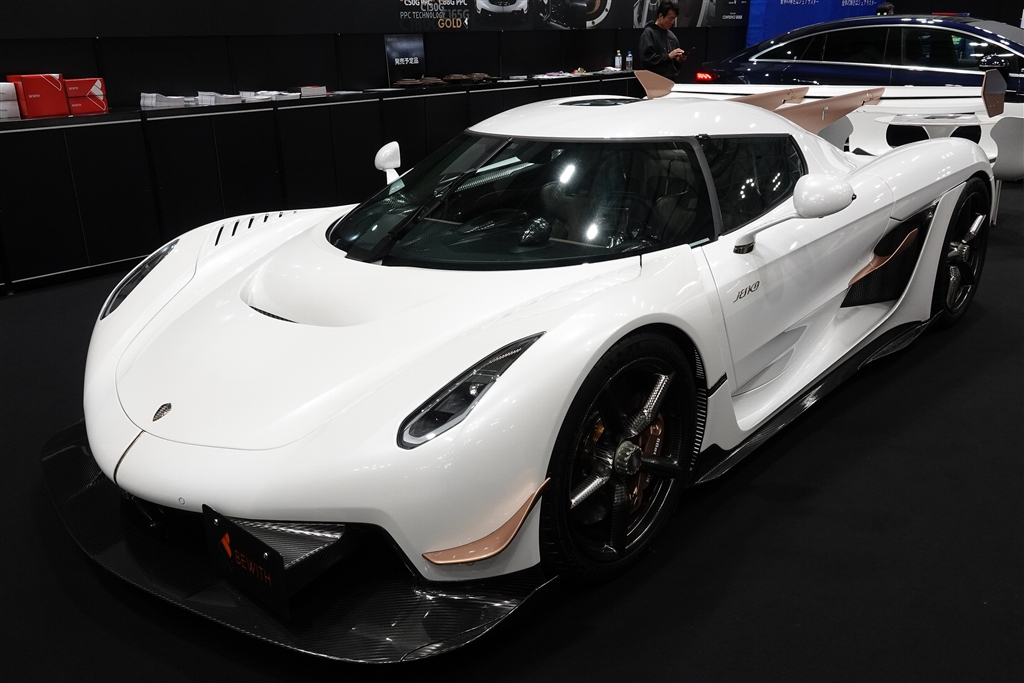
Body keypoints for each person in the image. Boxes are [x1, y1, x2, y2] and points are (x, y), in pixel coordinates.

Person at [639, 1, 687, 82]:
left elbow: (673, 65)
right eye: (670, 18)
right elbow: (647, 60)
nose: (672, 22)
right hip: (653, 82)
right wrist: (668, 56)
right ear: (660, 16)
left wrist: (678, 61)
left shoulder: (672, 36)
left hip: (671, 82)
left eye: (674, 19)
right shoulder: (648, 34)